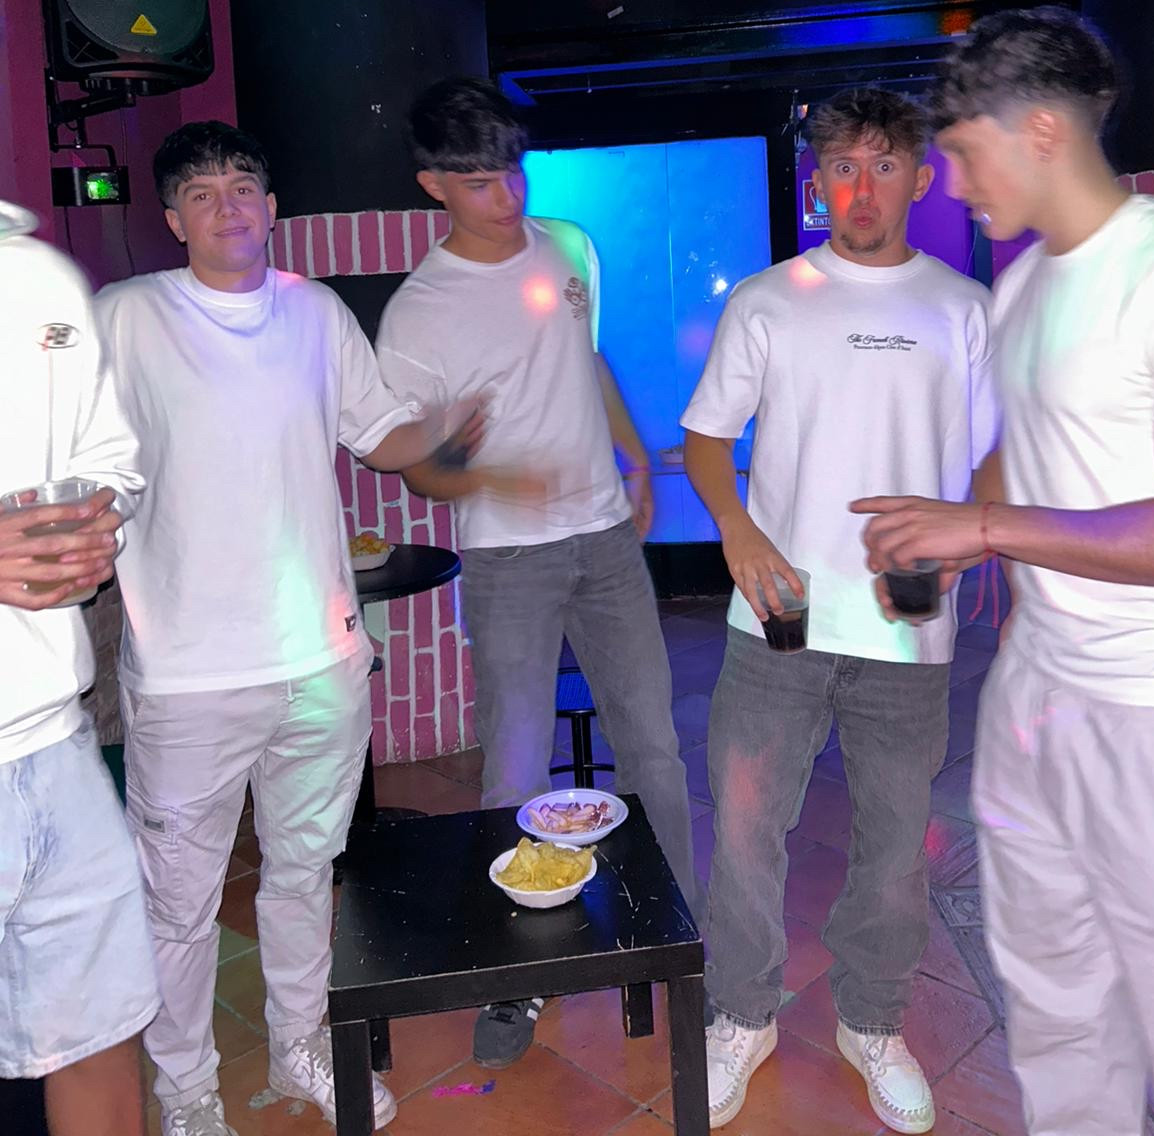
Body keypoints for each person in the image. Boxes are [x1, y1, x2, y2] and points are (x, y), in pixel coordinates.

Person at [856, 7, 1154, 1136]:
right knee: (1053, 989)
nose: (950, 184)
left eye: (963, 151)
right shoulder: (1021, 285)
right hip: (1037, 687)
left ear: (1042, 130)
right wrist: (950, 537)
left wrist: (988, 529)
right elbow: (1018, 447)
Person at [95, 121, 468, 1136]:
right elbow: (73, 448)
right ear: (174, 219)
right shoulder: (127, 316)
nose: (228, 205)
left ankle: (301, 1042)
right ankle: (186, 1090)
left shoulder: (315, 312)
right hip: (186, 674)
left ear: (271, 207)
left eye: (243, 186)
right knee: (178, 904)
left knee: (305, 874)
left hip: (321, 660)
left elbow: (380, 434)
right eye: (202, 192)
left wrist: (456, 425)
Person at [683, 86, 997, 1133]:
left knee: (897, 845)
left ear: (920, 177)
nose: (863, 189)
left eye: (884, 165)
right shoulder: (770, 300)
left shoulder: (964, 307)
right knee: (743, 828)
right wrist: (738, 532)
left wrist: (969, 536)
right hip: (779, 613)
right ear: (817, 181)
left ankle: (873, 1020)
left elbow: (995, 452)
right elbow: (706, 438)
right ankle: (741, 1014)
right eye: (843, 167)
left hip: (908, 623)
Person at [374, 77, 698, 1070]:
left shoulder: (564, 247)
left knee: (654, 750)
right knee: (516, 766)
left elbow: (587, 360)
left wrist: (633, 456)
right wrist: (490, 471)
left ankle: (679, 943)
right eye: (479, 181)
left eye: (512, 171)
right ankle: (515, 975)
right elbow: (414, 465)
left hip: (606, 543)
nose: (506, 196)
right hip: (509, 556)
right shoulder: (419, 312)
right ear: (433, 183)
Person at [0, 199, 157, 1136]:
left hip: (54, 736)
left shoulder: (38, 276)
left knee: (97, 1040)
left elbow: (111, 460)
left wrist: (99, 521)